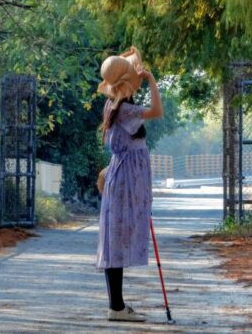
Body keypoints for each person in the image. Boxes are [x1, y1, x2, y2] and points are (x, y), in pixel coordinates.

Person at [96, 47, 163, 322]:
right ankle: (117, 307)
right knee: (117, 242)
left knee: (115, 241)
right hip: (126, 181)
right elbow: (157, 111)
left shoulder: (114, 106)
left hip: (121, 176)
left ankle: (117, 305)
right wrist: (150, 79)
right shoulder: (126, 110)